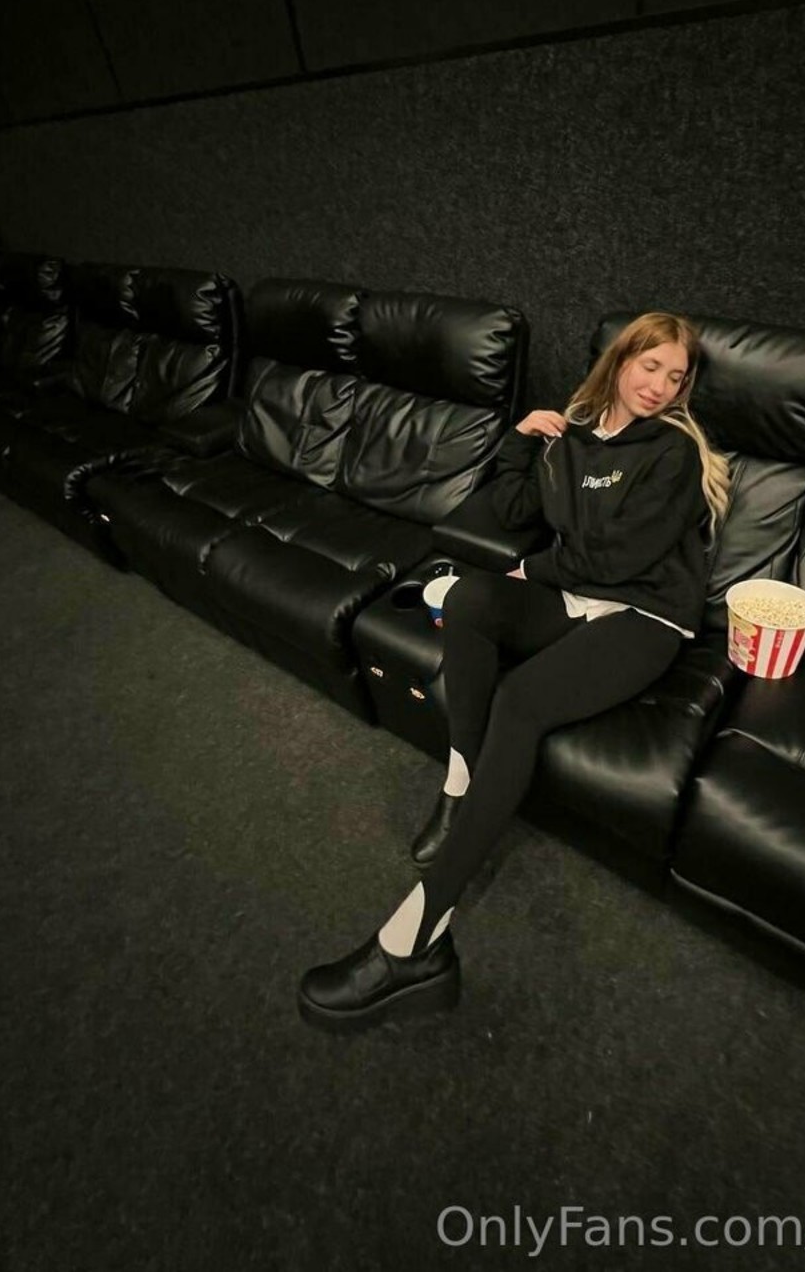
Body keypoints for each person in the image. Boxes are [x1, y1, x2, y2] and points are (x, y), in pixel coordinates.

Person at [297, 312, 731, 1032]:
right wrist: (522, 439)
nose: (659, 386)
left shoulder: (673, 453)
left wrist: (533, 569)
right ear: (621, 360)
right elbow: (513, 506)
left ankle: (415, 941)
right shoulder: (575, 436)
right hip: (577, 595)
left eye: (675, 376)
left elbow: (621, 561)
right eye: (649, 365)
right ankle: (459, 786)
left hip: (646, 615)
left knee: (521, 698)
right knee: (468, 597)